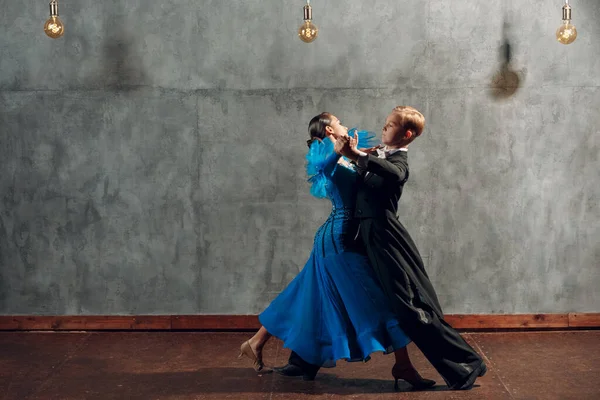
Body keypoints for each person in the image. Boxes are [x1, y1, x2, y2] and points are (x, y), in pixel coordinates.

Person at [238, 112, 435, 390]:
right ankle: (403, 364)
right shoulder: (330, 155)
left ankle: (257, 342)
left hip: (335, 238)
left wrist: (361, 152)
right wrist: (353, 152)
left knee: (306, 296)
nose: (345, 123)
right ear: (330, 129)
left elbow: (361, 159)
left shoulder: (343, 153)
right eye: (339, 121)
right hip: (338, 241)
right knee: (381, 299)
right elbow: (343, 161)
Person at [334, 106, 487, 390]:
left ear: (406, 134)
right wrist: (360, 154)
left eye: (391, 125)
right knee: (384, 303)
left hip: (385, 238)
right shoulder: (379, 154)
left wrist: (357, 156)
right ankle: (301, 362)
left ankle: (466, 364)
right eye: (385, 122)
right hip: (369, 236)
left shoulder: (399, 162)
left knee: (410, 308)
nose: (384, 127)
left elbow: (395, 173)